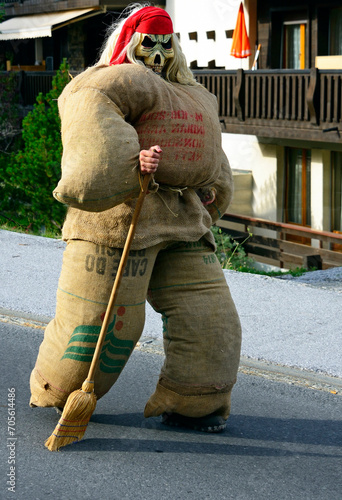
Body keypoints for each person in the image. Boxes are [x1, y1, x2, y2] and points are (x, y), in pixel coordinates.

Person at [30, 3, 242, 433]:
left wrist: (210, 196)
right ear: (131, 43)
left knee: (211, 319)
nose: (158, 54)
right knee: (107, 326)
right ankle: (59, 389)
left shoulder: (195, 94)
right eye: (150, 44)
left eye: (167, 44)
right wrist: (134, 164)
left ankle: (194, 404)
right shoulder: (112, 82)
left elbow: (213, 156)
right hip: (124, 218)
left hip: (182, 219)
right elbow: (97, 130)